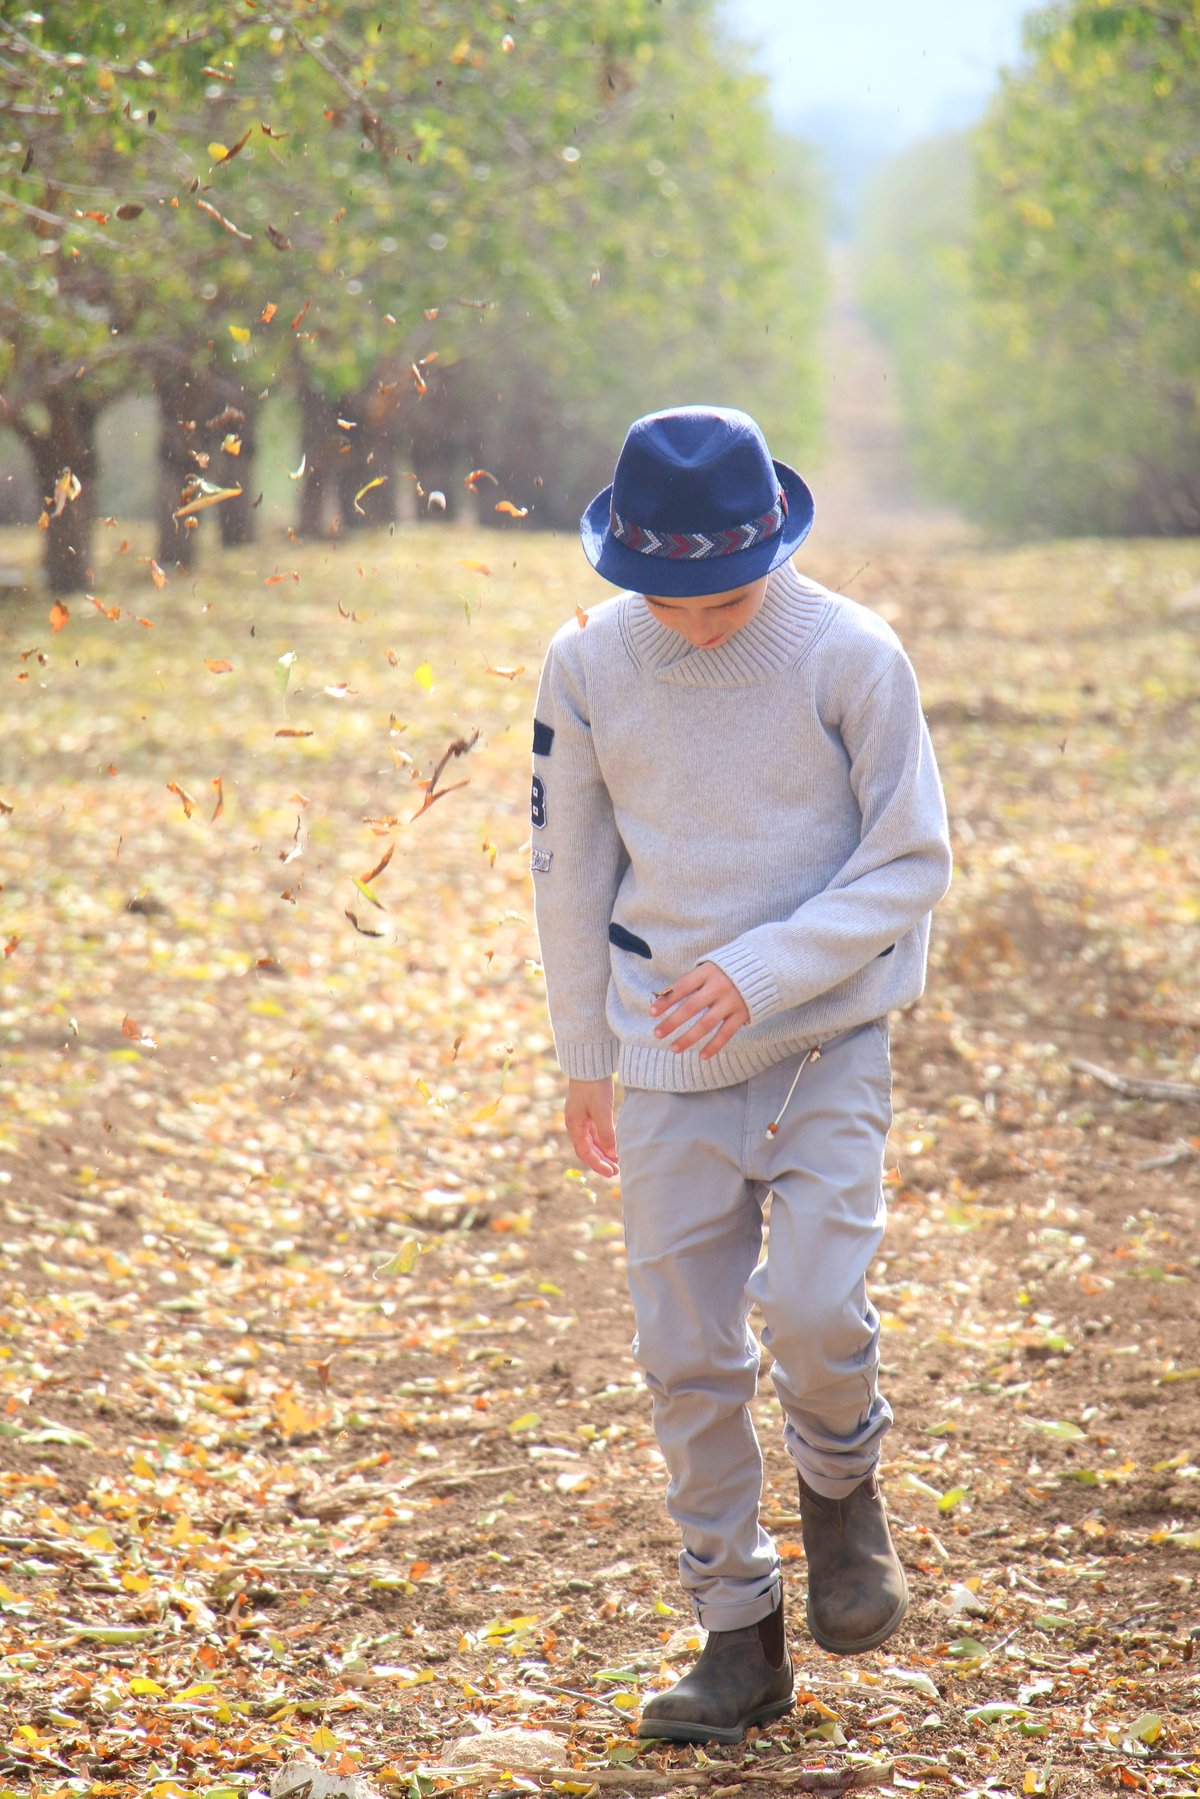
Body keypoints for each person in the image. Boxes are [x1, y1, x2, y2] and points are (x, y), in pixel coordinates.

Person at [528, 405, 952, 1745]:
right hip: (664, 1061)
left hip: (827, 1038)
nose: (701, 620)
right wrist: (586, 1058)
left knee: (818, 1308)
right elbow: (568, 870)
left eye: (724, 590)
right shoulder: (588, 667)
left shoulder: (852, 654)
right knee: (685, 1359)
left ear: (774, 538)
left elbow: (911, 861)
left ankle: (843, 1490)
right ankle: (736, 1636)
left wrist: (765, 971)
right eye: (671, 594)